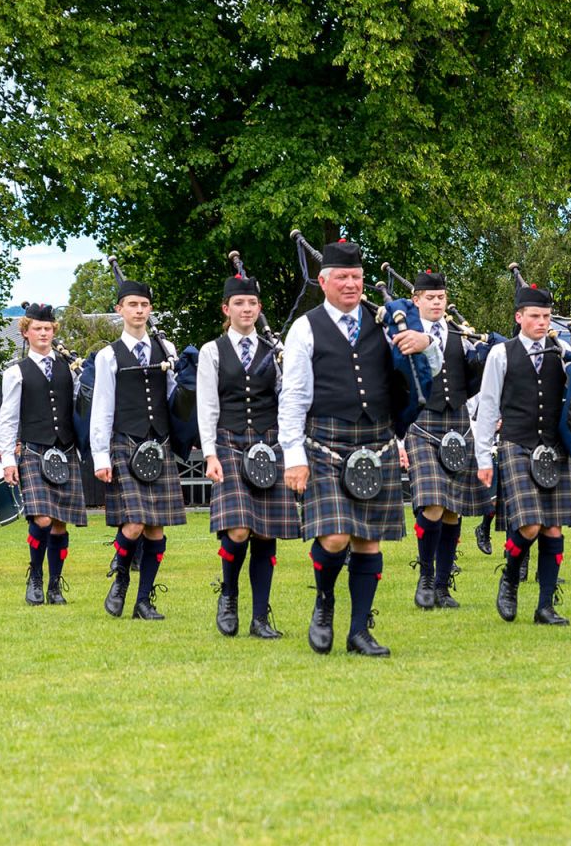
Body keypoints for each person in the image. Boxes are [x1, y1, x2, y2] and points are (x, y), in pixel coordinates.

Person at [279, 239, 407, 657]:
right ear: (323, 281)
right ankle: (324, 601)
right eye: (342, 278)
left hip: (378, 440)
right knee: (334, 537)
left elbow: (415, 375)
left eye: (356, 277)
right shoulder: (305, 327)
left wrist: (425, 345)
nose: (351, 284)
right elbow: (293, 396)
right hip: (325, 442)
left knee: (369, 540)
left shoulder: (384, 323)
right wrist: (294, 456)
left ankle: (359, 631)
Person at [474, 284, 571, 626]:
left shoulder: (562, 352)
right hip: (516, 444)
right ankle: (510, 578)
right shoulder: (501, 354)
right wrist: (484, 458)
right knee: (530, 525)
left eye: (547, 316)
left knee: (553, 530)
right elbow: (487, 408)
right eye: (535, 316)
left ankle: (545, 606)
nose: (542, 322)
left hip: (554, 447)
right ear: (519, 317)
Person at [197, 274, 299, 639]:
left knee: (265, 533)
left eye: (252, 303)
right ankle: (228, 595)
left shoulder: (275, 350)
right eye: (239, 303)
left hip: (270, 445)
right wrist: (210, 454)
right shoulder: (211, 351)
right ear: (226, 309)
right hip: (229, 443)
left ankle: (260, 617)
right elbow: (207, 405)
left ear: (259, 308)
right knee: (238, 529)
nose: (246, 309)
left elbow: (289, 398)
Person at [90, 277, 183, 621]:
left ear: (150, 309)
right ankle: (121, 578)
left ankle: (144, 600)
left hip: (159, 444)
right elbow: (102, 406)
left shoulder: (166, 348)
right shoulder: (108, 355)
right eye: (132, 304)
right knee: (134, 524)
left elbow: (175, 397)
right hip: (125, 442)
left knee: (156, 528)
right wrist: (101, 456)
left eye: (144, 305)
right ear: (120, 309)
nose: (139, 310)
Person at [402, 269, 494, 611]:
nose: (437, 303)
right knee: (433, 503)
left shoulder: (460, 334)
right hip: (421, 423)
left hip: (457, 423)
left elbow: (474, 381)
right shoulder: (405, 334)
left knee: (453, 510)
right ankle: (426, 579)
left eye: (441, 297)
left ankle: (442, 586)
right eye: (430, 298)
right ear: (416, 300)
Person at [0, 304, 85, 605]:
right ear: (26, 333)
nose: (43, 333)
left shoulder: (69, 369)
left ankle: (55, 584)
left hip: (66, 449)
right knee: (42, 519)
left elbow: (80, 407)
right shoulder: (15, 372)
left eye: (48, 328)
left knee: (59, 522)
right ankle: (35, 576)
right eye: (37, 329)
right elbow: (8, 419)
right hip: (34, 450)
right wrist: (8, 460)